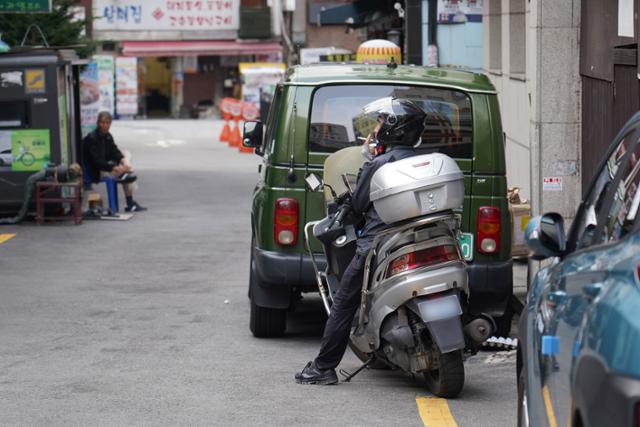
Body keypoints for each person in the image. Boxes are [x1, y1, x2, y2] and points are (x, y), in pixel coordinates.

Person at [295, 97, 427, 385]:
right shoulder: (425, 161)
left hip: (379, 243)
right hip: (423, 237)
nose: (376, 127)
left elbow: (356, 207)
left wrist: (369, 160)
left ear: (393, 127)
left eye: (380, 122)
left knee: (344, 302)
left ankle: (324, 367)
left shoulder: (378, 164)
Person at [83, 111, 147, 212]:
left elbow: (114, 151)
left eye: (107, 123)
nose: (104, 125)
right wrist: (114, 168)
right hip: (97, 171)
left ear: (110, 124)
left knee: (126, 154)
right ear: (98, 123)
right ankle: (130, 202)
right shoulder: (91, 139)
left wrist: (122, 161)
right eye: (102, 123)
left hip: (108, 166)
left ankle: (126, 169)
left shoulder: (108, 136)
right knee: (126, 175)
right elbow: (97, 162)